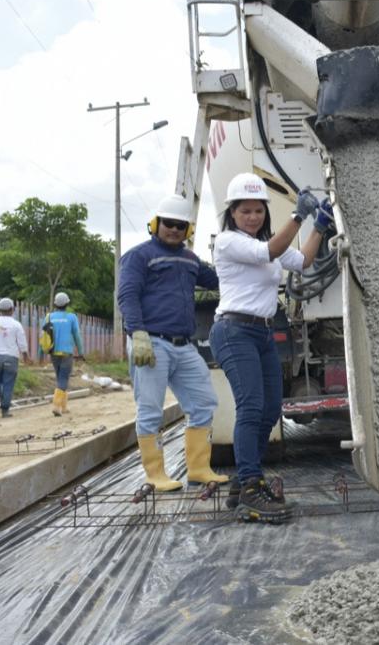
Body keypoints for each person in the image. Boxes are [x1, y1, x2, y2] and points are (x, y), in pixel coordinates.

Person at [209, 173, 330, 523]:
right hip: (233, 330)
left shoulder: (269, 245)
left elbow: (304, 260)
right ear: (232, 213)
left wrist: (319, 226)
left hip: (262, 333)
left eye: (258, 210)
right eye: (245, 211)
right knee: (250, 407)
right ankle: (250, 487)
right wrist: (299, 216)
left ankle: (243, 482)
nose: (252, 216)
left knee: (269, 410)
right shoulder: (229, 242)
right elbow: (270, 250)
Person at [118, 194, 226, 493]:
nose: (174, 230)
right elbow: (127, 295)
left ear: (188, 230)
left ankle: (199, 469)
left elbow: (220, 279)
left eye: (181, 226)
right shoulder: (139, 256)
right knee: (150, 410)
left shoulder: (190, 260)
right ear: (156, 224)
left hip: (183, 345)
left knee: (204, 402)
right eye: (169, 224)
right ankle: (155, 474)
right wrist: (137, 333)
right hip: (151, 343)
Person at [46, 291, 82, 417]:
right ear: (67, 303)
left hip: (53, 352)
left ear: (55, 304)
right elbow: (77, 335)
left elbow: (44, 336)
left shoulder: (49, 316)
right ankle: (56, 406)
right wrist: (81, 352)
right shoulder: (71, 317)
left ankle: (64, 406)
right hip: (66, 353)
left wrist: (40, 354)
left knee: (60, 378)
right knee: (63, 379)